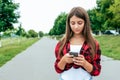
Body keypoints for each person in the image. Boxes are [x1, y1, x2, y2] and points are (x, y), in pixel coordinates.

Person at [54, 6, 101, 80]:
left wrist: (84, 63)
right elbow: (57, 69)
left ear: (85, 22)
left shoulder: (93, 43)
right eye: (72, 23)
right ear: (68, 24)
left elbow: (97, 71)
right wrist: (64, 60)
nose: (76, 27)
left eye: (80, 23)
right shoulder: (62, 43)